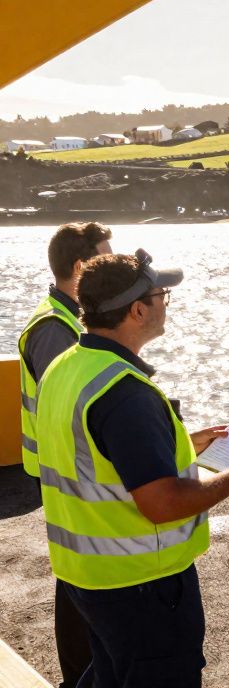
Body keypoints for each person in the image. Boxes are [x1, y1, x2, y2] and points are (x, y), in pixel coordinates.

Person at [34, 249, 229, 687]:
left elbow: (92, 452)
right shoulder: (126, 393)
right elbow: (162, 503)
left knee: (110, 673)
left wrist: (183, 440)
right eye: (162, 294)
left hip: (86, 576)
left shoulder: (66, 367)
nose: (166, 303)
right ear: (138, 309)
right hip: (141, 582)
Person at [16, 222, 112, 688]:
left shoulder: (62, 317)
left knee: (78, 573)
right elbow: (72, 403)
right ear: (81, 266)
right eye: (105, 258)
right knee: (78, 580)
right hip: (66, 470)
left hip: (60, 466)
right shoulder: (56, 328)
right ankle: (78, 677)